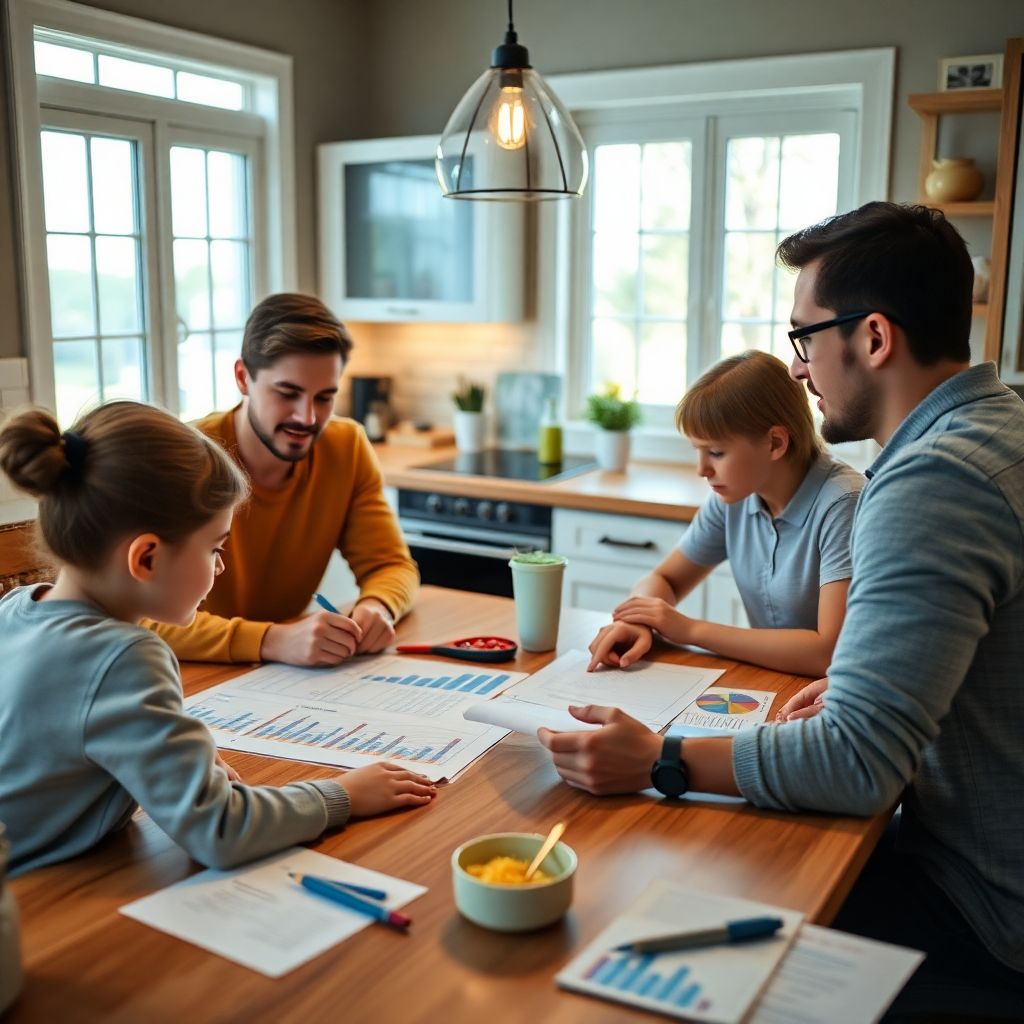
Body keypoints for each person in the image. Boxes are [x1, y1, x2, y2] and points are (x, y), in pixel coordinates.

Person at [539, 202, 1024, 1017]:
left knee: (639, 934)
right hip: (976, 859)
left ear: (873, 338)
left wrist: (661, 759)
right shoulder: (999, 425)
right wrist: (870, 686)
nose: (798, 367)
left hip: (983, 912)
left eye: (804, 337)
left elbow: (857, 766)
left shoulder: (931, 483)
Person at [0, 402, 436, 877]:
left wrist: (178, 762)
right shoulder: (126, 657)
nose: (221, 566)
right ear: (145, 558)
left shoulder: (18, 608)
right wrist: (345, 795)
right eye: (214, 548)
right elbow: (220, 831)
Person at [148, 293, 419, 666]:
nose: (307, 417)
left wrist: (378, 607)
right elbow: (138, 616)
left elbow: (391, 565)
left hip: (279, 678)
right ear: (243, 378)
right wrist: (271, 640)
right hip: (187, 677)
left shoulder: (347, 447)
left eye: (324, 398)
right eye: (288, 393)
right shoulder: (182, 457)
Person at [587, 350, 862, 679]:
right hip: (774, 682)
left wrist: (690, 630)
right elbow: (665, 579)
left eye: (716, 452)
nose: (702, 469)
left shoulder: (842, 502)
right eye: (698, 451)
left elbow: (828, 652)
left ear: (775, 442)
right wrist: (636, 622)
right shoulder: (734, 497)